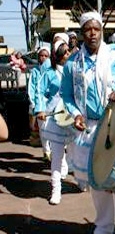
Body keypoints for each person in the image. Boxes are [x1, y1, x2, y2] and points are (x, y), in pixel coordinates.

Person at [60, 11, 115, 234]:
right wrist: (75, 114)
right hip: (91, 128)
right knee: (97, 182)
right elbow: (66, 95)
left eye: (96, 29)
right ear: (82, 33)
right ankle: (104, 227)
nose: (93, 33)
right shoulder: (73, 63)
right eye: (88, 29)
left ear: (101, 31)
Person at [35, 40, 72, 205]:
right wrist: (40, 109)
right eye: (64, 53)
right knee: (57, 156)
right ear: (57, 56)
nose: (68, 55)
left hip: (72, 118)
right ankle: (56, 190)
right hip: (55, 119)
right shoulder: (49, 73)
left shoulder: (73, 71)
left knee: (78, 152)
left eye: (68, 51)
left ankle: (82, 178)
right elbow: (40, 92)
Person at [27, 47, 51, 150]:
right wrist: (33, 102)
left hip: (51, 105)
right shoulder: (35, 71)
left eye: (46, 56)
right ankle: (46, 151)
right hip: (38, 105)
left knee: (52, 128)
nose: (44, 58)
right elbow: (31, 88)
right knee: (42, 129)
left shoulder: (52, 70)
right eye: (41, 55)